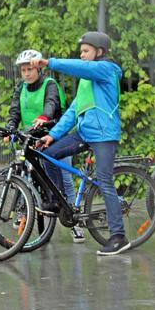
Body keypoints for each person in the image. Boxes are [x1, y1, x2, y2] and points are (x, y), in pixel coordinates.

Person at [33, 31, 129, 256]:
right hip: (85, 132)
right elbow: (73, 111)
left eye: (86, 51)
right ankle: (58, 202)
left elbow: (82, 68)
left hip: (104, 134)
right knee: (48, 153)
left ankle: (118, 236)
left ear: (100, 52)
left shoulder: (106, 69)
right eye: (81, 52)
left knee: (104, 181)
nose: (82, 55)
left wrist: (49, 62)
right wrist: (53, 135)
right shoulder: (87, 81)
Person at [6, 49, 85, 244]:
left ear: (38, 69)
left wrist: (44, 117)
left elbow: (51, 103)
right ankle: (24, 211)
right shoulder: (20, 88)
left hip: (54, 135)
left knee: (64, 179)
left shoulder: (49, 84)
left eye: (30, 69)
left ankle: (74, 222)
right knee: (27, 174)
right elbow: (15, 110)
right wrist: (10, 128)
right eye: (23, 70)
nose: (26, 73)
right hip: (31, 137)